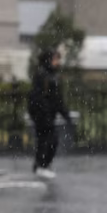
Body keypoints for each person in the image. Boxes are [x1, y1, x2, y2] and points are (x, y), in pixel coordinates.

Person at [28, 49, 71, 179]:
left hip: (48, 114)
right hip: (42, 114)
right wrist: (43, 112)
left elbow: (57, 99)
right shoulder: (43, 75)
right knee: (46, 140)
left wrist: (65, 114)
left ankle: (42, 165)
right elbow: (38, 97)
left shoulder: (52, 76)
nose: (57, 62)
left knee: (50, 140)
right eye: (55, 59)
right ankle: (41, 166)